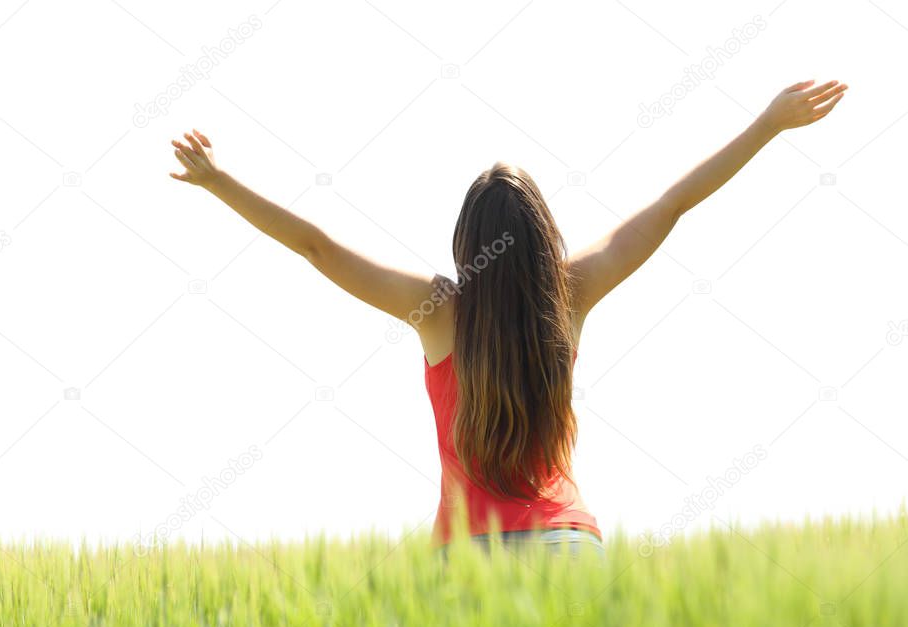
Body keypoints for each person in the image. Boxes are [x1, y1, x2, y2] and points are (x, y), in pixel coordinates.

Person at [169, 79, 847, 556]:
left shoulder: (436, 311)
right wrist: (766, 124)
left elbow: (316, 246)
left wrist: (215, 180)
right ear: (544, 232)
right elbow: (671, 204)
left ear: (468, 242)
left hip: (466, 557)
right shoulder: (572, 293)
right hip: (566, 546)